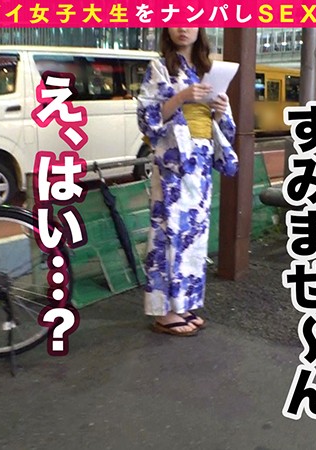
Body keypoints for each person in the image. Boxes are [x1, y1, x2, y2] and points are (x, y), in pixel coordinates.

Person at [137, 28, 239, 336]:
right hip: (174, 162)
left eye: (190, 20)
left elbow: (221, 125)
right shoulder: (160, 67)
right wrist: (182, 96)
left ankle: (183, 305)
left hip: (200, 160)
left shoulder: (208, 68)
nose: (183, 27)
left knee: (194, 235)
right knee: (168, 232)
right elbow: (147, 116)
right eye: (176, 20)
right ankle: (163, 312)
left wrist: (220, 112)